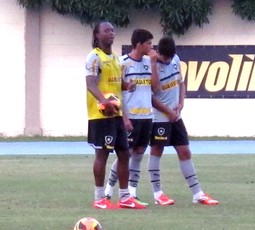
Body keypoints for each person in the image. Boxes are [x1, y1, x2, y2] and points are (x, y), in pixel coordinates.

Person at [148, 36, 219, 206]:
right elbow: (152, 93)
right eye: (165, 58)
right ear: (159, 53)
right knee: (157, 151)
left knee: (185, 151)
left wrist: (181, 103)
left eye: (171, 57)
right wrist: (168, 111)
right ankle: (158, 194)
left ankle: (197, 194)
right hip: (159, 118)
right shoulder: (152, 64)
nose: (168, 60)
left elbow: (181, 82)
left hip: (175, 115)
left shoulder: (175, 59)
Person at [84, 20, 146, 210]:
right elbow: (91, 84)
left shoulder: (117, 59)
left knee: (124, 153)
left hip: (117, 115)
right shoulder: (94, 57)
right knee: (102, 154)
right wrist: (104, 101)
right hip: (101, 115)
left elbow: (117, 88)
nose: (111, 33)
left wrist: (127, 87)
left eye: (112, 30)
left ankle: (125, 197)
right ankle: (99, 198)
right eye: (106, 30)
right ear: (97, 35)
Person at [104, 29, 160, 205]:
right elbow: (115, 92)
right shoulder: (122, 63)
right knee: (125, 155)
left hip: (147, 116)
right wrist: (124, 117)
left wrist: (153, 64)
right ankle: (108, 190)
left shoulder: (148, 62)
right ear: (139, 44)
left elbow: (156, 88)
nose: (152, 47)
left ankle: (132, 193)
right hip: (130, 116)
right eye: (149, 43)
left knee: (139, 153)